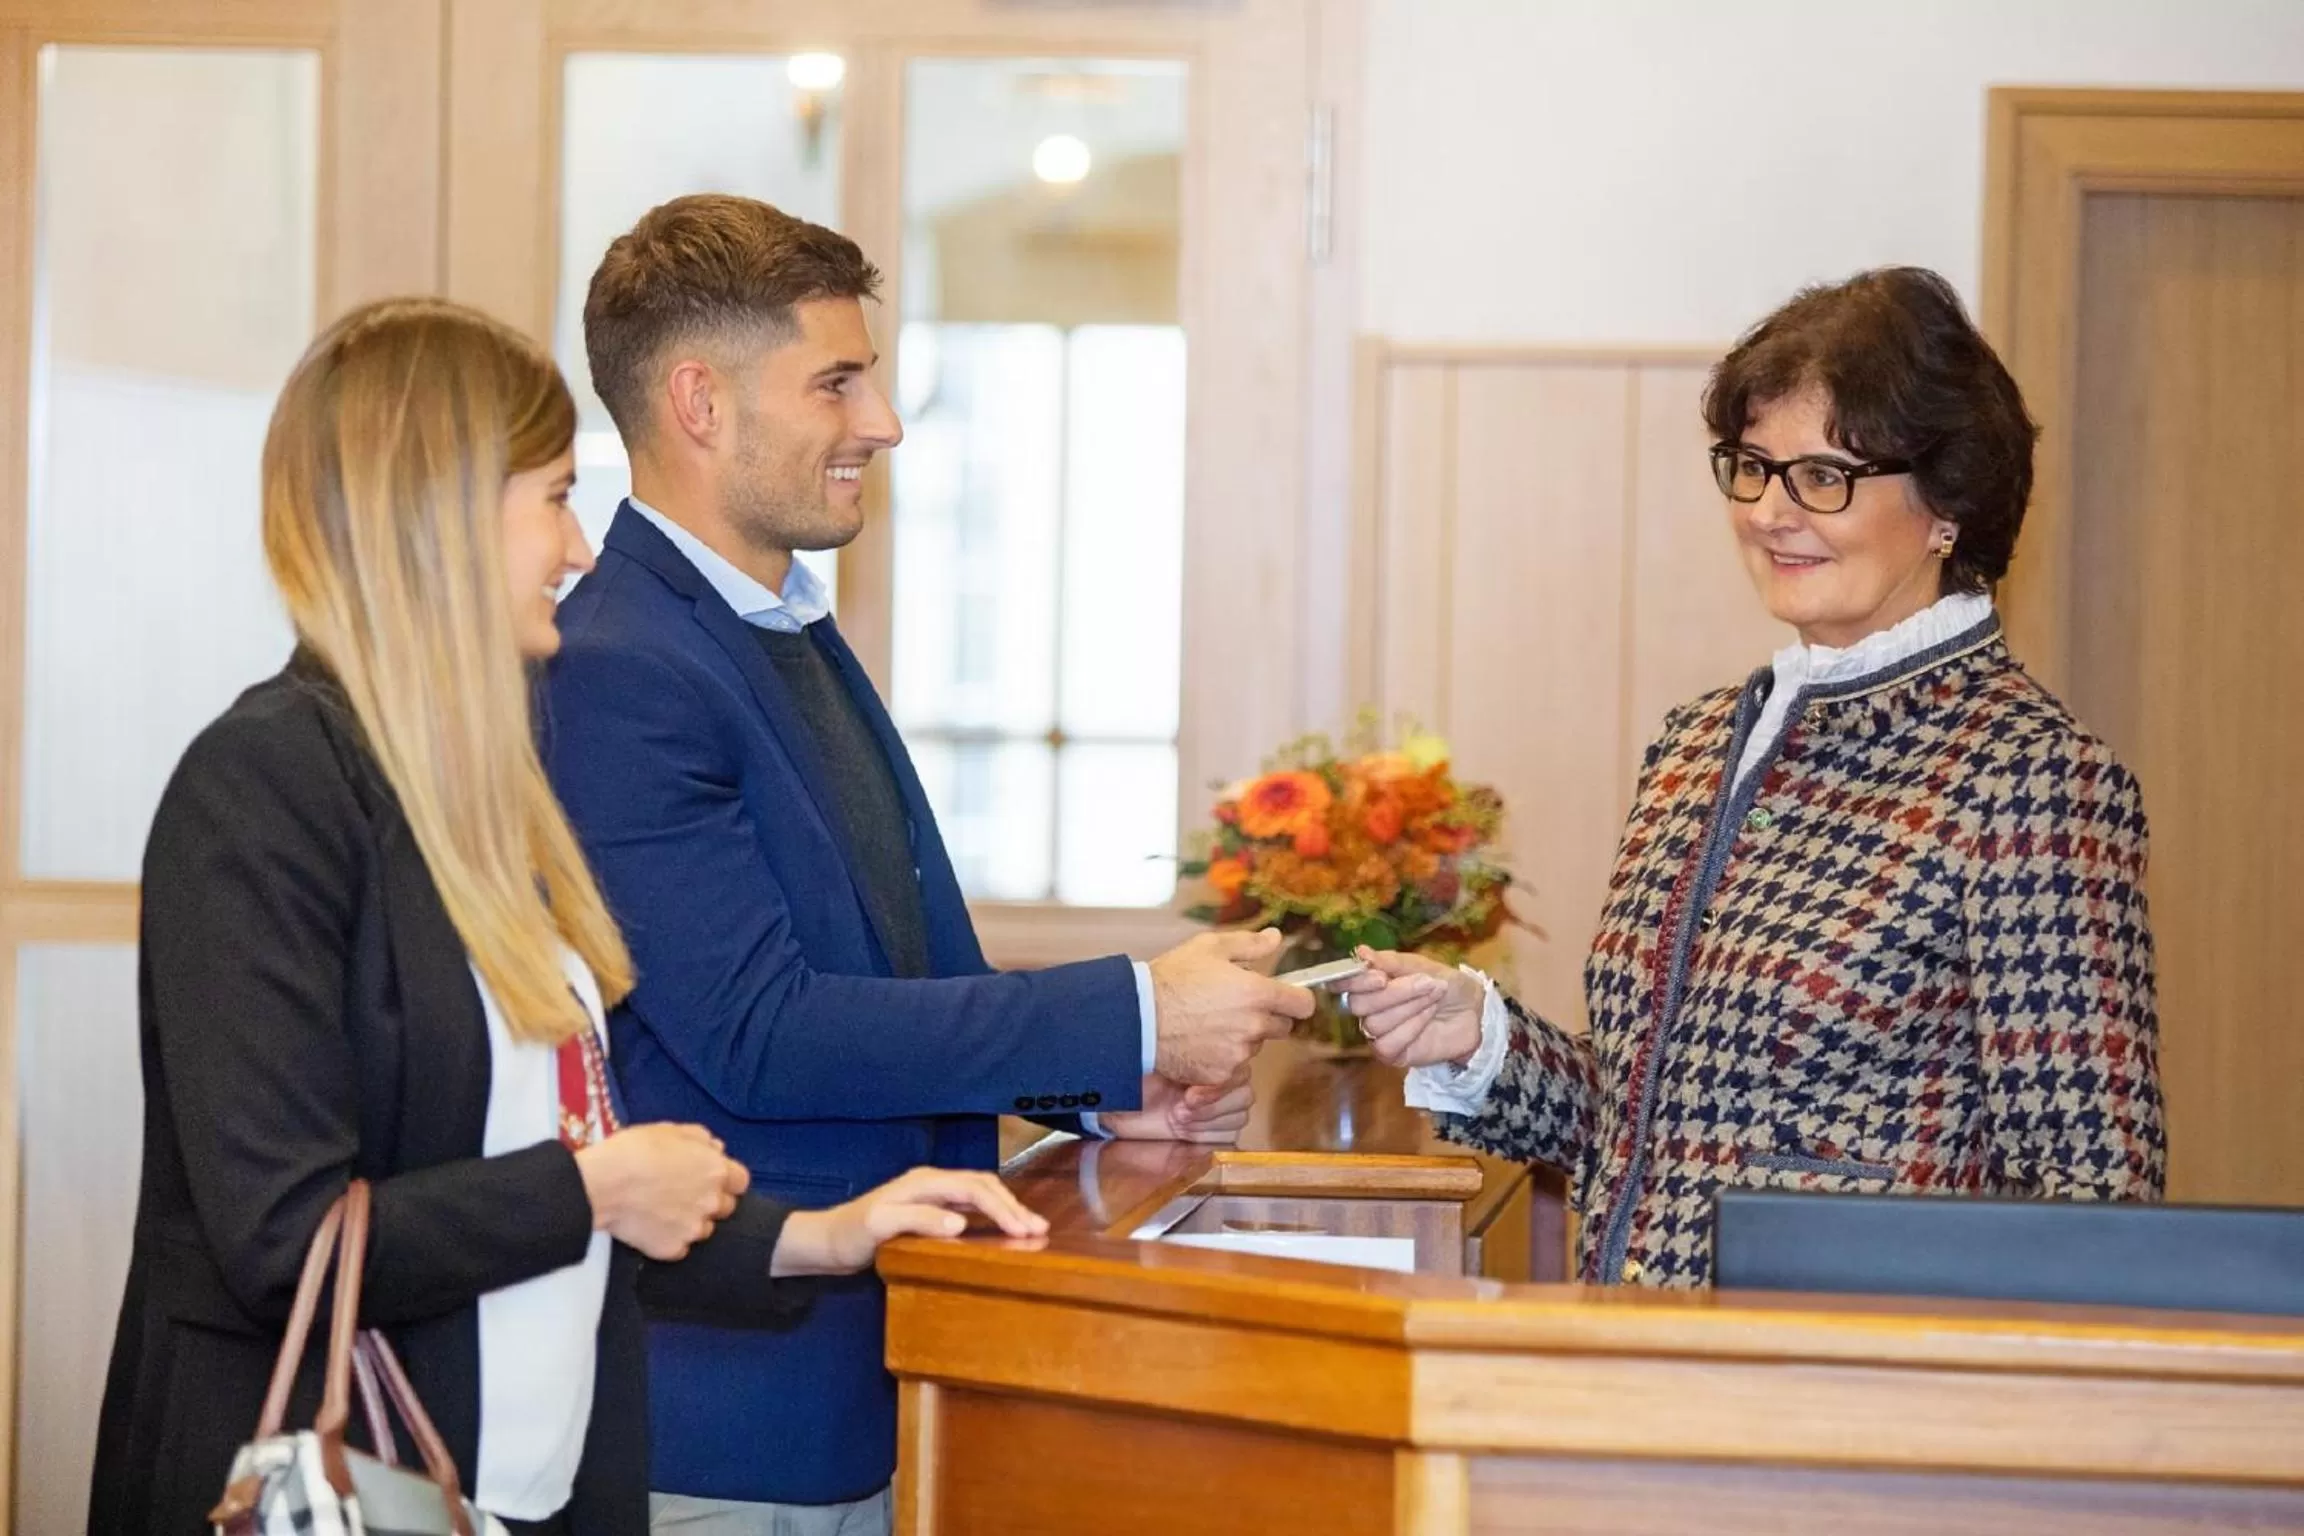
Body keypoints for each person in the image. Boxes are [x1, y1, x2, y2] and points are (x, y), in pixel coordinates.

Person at [88, 297, 1045, 1536]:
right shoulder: (265, 786)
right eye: (550, 497)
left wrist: (824, 1235)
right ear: (432, 520)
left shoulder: (489, 791)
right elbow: (288, 1235)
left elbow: (541, 1157)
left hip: (527, 1496)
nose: (581, 549)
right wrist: (591, 1191)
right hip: (342, 1489)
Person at [542, 193, 1311, 1530]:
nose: (883, 422)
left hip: (862, 1382)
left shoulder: (773, 622)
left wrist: (1095, 1095)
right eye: (837, 381)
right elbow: (759, 1032)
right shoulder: (623, 666)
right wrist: (1139, 1009)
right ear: (699, 403)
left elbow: (895, 974)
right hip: (726, 1418)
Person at [1343, 266, 2166, 1289]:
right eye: (1753, 467)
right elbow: (1652, 1123)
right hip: (1635, 1372)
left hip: (1836, 1407)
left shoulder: (2031, 777)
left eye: (1825, 476)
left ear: (1946, 504)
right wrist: (1483, 1042)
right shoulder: (1697, 746)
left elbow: (2091, 1197)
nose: (1773, 512)